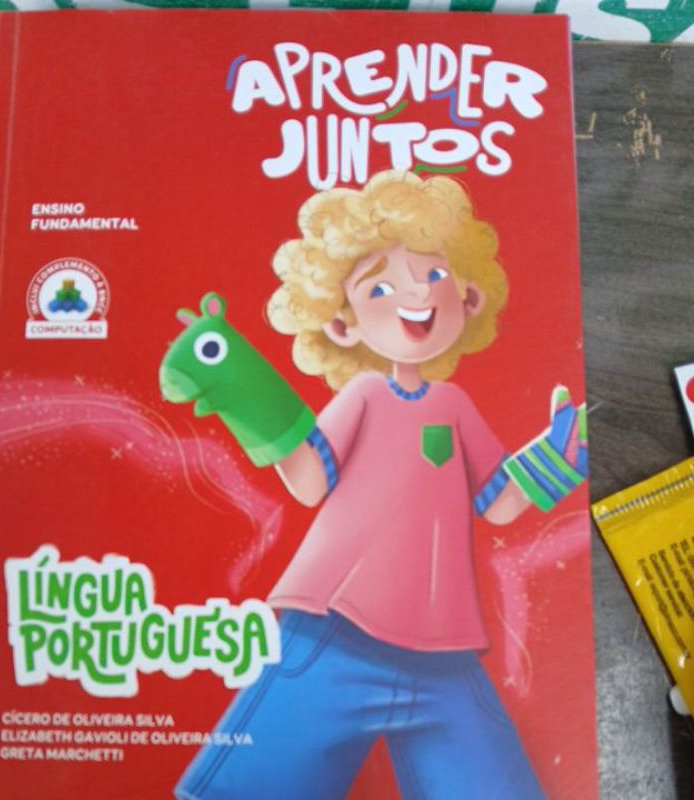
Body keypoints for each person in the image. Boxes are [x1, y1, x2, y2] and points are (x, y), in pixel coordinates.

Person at [172, 170, 586, 800]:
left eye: (434, 274)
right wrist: (240, 386)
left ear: (469, 297)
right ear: (341, 324)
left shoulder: (453, 404)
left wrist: (555, 460)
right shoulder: (364, 392)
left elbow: (499, 503)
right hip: (337, 634)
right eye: (381, 286)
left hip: (444, 651)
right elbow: (310, 481)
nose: (415, 294)